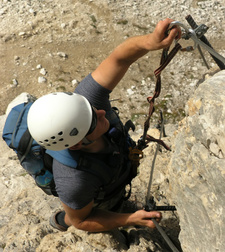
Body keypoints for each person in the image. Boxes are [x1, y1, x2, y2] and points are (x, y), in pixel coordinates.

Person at [27, 18, 180, 232]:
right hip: (96, 193)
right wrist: (128, 219)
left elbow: (119, 58)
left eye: (89, 110)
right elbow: (82, 221)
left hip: (112, 173)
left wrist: (150, 41)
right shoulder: (74, 180)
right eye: (92, 121)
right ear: (77, 145)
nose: (100, 112)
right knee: (76, 215)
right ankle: (61, 219)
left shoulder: (86, 103)